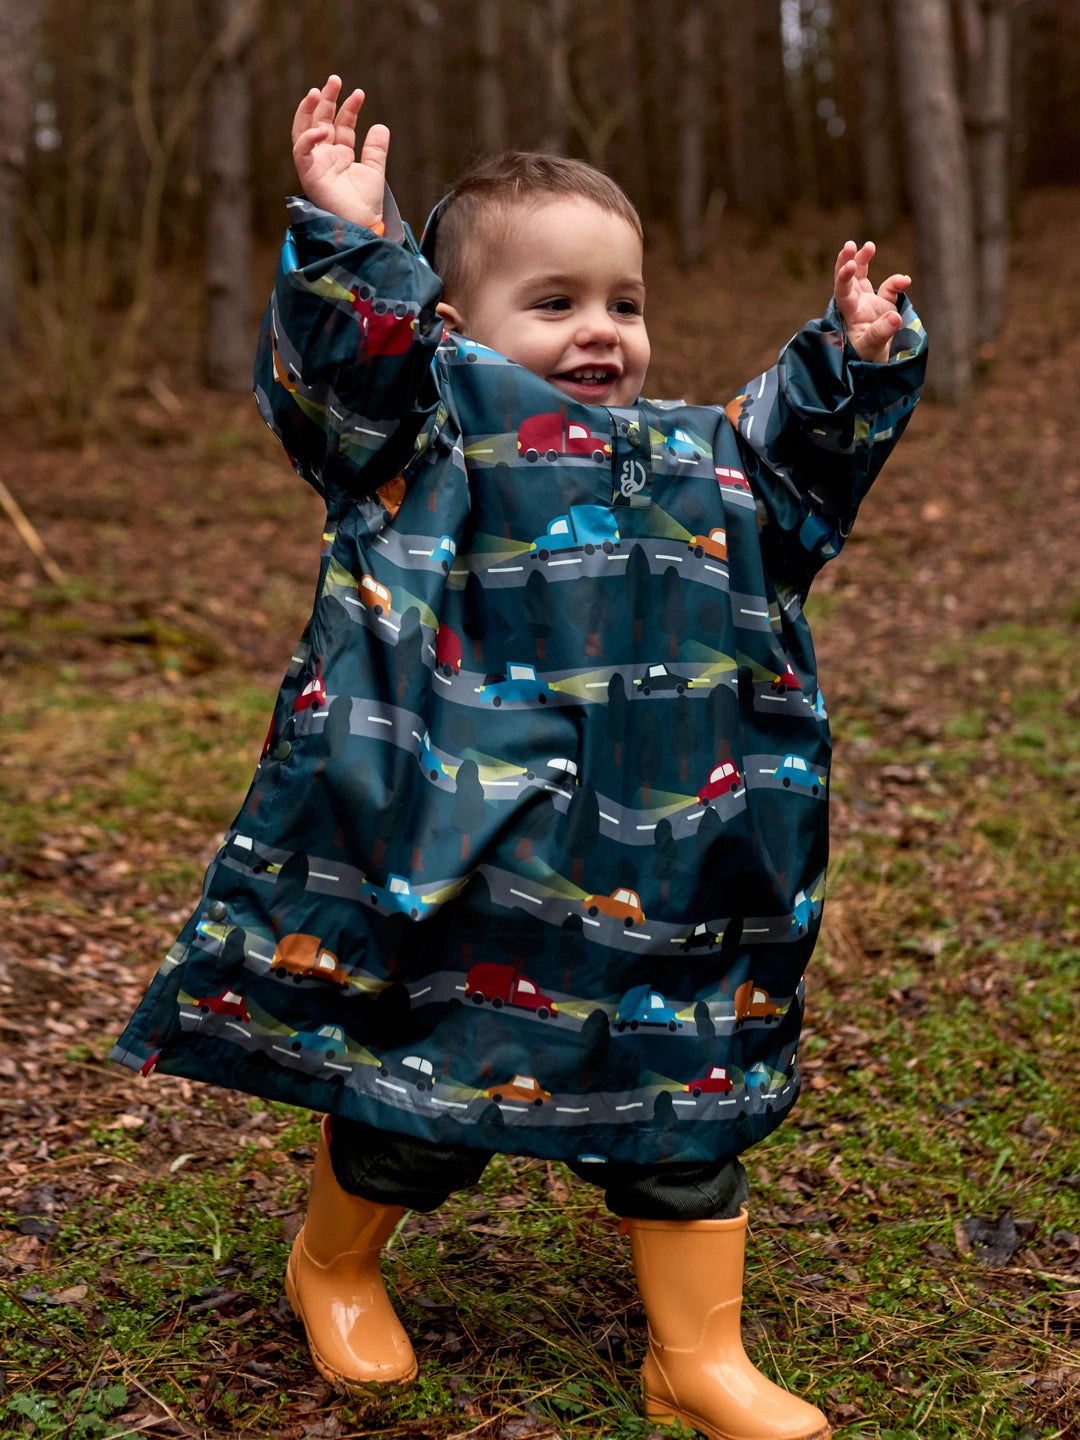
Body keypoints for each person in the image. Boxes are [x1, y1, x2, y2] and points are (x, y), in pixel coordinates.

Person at [112, 75, 926, 1440]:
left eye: (623, 302)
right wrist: (354, 245)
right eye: (553, 303)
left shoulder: (702, 459)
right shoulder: (427, 439)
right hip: (467, 863)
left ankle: (695, 1354)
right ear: (453, 324)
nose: (600, 331)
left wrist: (852, 360)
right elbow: (346, 382)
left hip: (680, 869)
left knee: (691, 1103)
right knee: (417, 1100)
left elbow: (797, 483)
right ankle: (336, 1262)